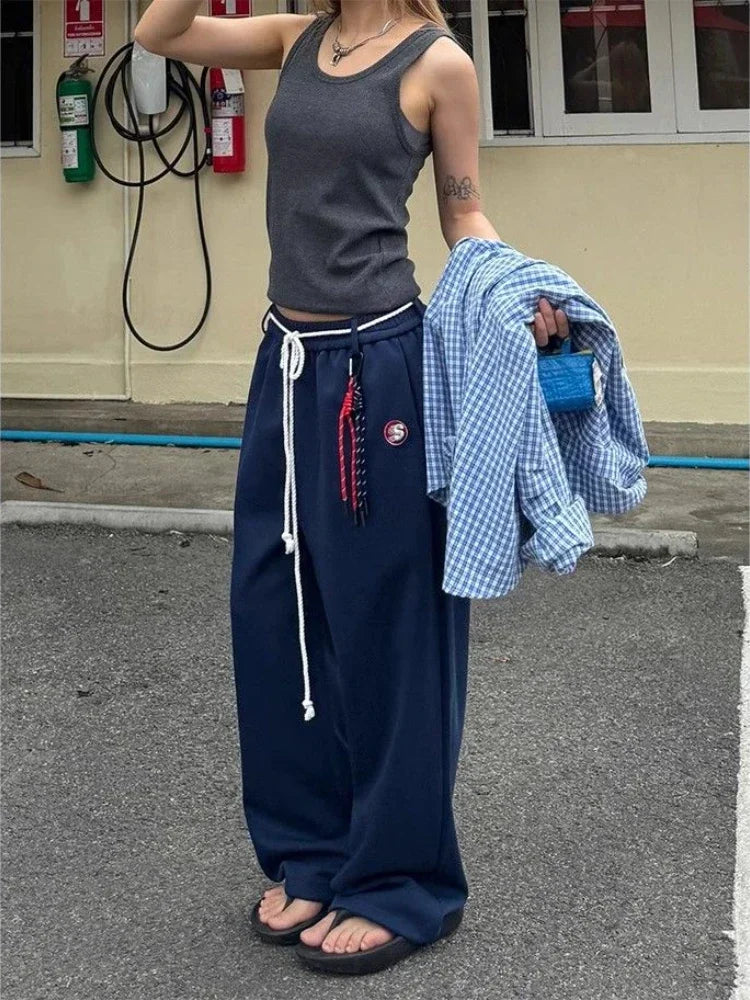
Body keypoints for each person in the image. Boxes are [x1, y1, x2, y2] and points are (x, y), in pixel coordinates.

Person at [134, 0, 570, 976]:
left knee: (389, 630)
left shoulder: (438, 63)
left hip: (376, 373)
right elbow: (158, 35)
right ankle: (314, 852)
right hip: (285, 365)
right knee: (273, 614)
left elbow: (463, 212)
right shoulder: (294, 36)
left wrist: (518, 288)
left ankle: (403, 883)